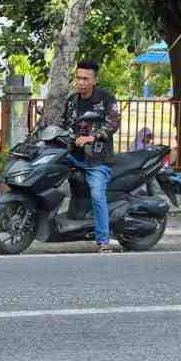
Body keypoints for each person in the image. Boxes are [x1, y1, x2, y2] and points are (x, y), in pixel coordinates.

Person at [61, 61, 123, 251]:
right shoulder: (72, 100)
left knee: (97, 195)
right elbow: (64, 124)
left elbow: (113, 123)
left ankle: (103, 241)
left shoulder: (106, 99)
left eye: (85, 79)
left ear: (94, 80)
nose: (80, 82)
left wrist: (91, 137)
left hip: (97, 159)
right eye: (78, 78)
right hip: (72, 155)